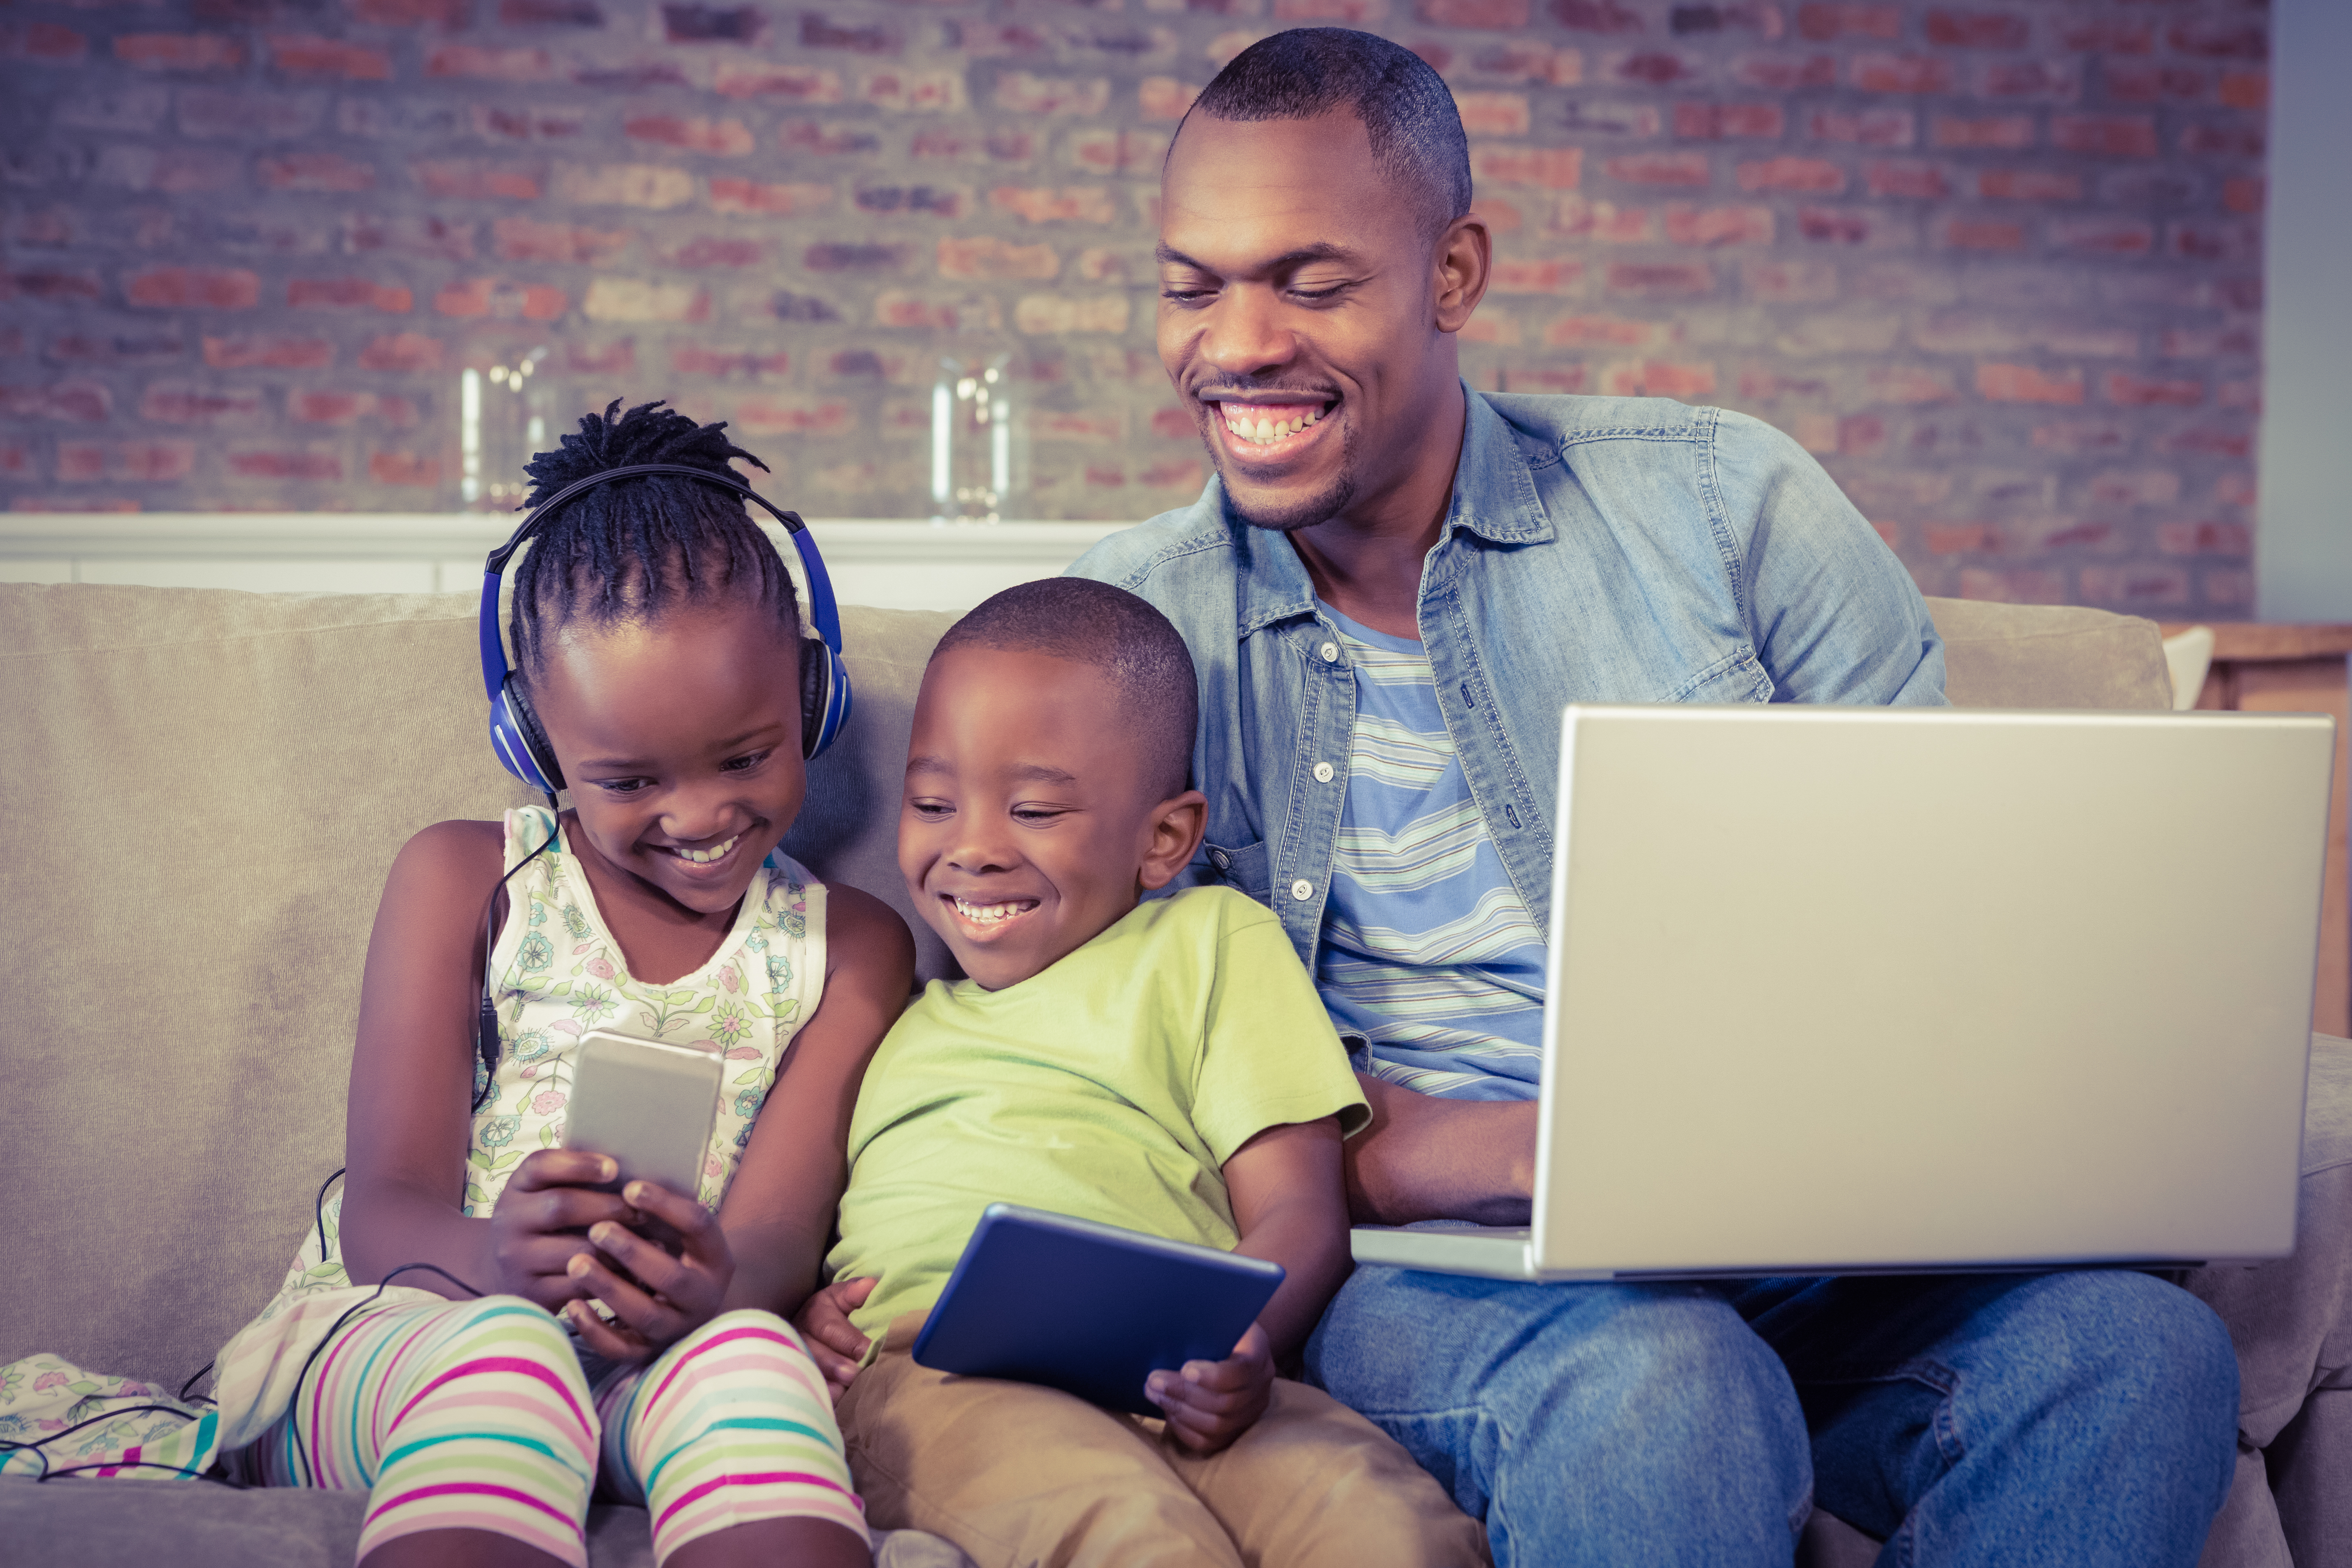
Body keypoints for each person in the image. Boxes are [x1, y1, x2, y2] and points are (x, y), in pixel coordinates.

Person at [1060, 27, 2241, 1568]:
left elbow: (1939, 923)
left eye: (1313, 280)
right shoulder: (1119, 642)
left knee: (2140, 1356)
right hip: (1441, 1284)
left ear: (1456, 274)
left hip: (1802, 1239)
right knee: (1667, 1383)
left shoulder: (1723, 508)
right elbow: (1098, 1072)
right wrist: (1465, 1156)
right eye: (1193, 284)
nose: (1239, 342)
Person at [205, 401, 913, 1568]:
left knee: (755, 1362)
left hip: (663, 1356)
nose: (700, 817)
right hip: (405, 1338)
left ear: (813, 694)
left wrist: (711, 1284)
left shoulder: (853, 948)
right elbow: (386, 1210)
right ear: (535, 743)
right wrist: (497, 1262)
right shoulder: (463, 880)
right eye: (628, 780)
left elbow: (780, 1236)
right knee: (511, 1359)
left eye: (746, 756)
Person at [790, 577, 1489, 1566]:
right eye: (933, 803)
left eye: (1032, 809)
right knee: (1132, 1537)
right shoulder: (883, 1009)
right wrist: (805, 1315)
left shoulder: (1211, 944)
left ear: (1165, 839)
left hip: (1182, 1363)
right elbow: (791, 1217)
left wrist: (1245, 1340)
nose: (974, 848)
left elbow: (1299, 1212)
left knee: (1385, 1530)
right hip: (940, 1370)